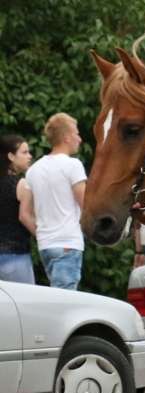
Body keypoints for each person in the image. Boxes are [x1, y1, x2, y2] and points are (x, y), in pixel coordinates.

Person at [25, 113, 87, 290]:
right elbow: (85, 204)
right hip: (68, 243)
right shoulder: (73, 165)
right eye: (76, 133)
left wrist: (43, 235)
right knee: (65, 300)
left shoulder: (34, 169)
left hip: (45, 245)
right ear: (66, 137)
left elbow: (25, 213)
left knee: (57, 296)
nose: (80, 139)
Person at [0, 135, 36, 284]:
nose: (30, 156)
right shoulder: (21, 184)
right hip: (15, 257)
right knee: (26, 299)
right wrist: (44, 237)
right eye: (24, 152)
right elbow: (25, 217)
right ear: (11, 156)